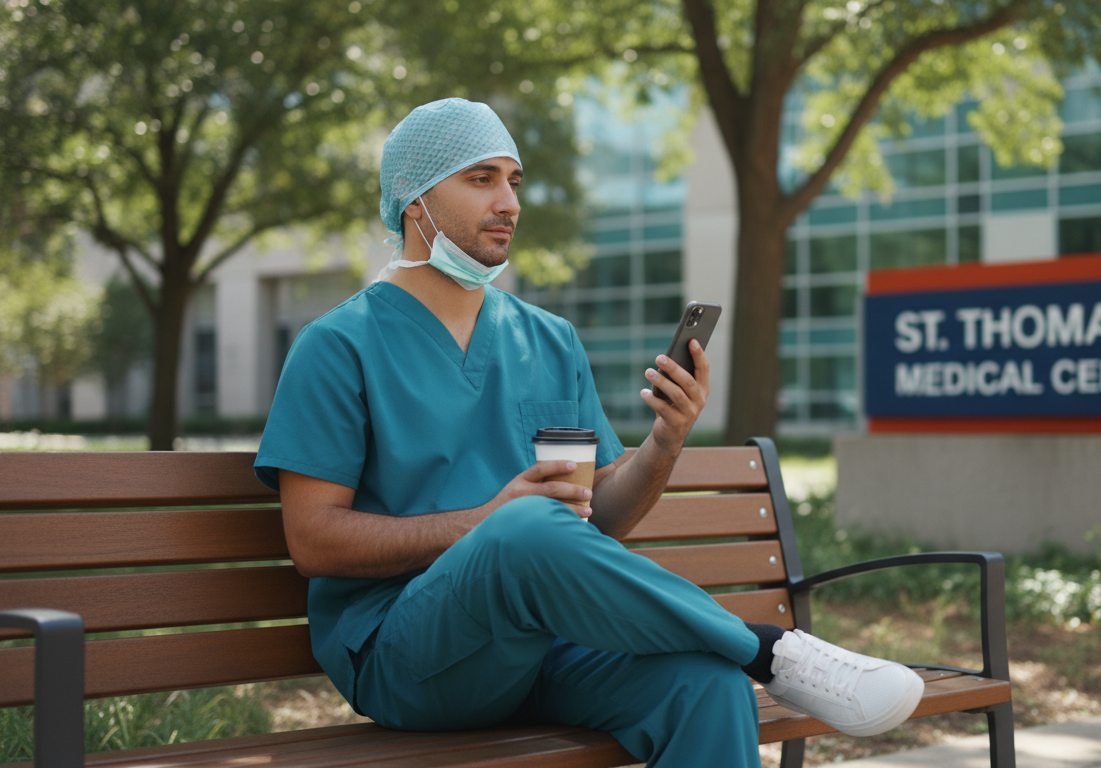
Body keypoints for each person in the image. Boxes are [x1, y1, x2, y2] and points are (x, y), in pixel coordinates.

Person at [254, 98, 924, 767]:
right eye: (481, 178)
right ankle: (769, 650)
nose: (509, 202)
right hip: (409, 657)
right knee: (520, 529)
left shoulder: (549, 339)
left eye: (514, 181)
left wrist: (665, 441)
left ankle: (745, 659)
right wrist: (485, 522)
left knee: (707, 687)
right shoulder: (338, 346)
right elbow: (313, 540)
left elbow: (596, 514)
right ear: (414, 200)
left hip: (544, 647)